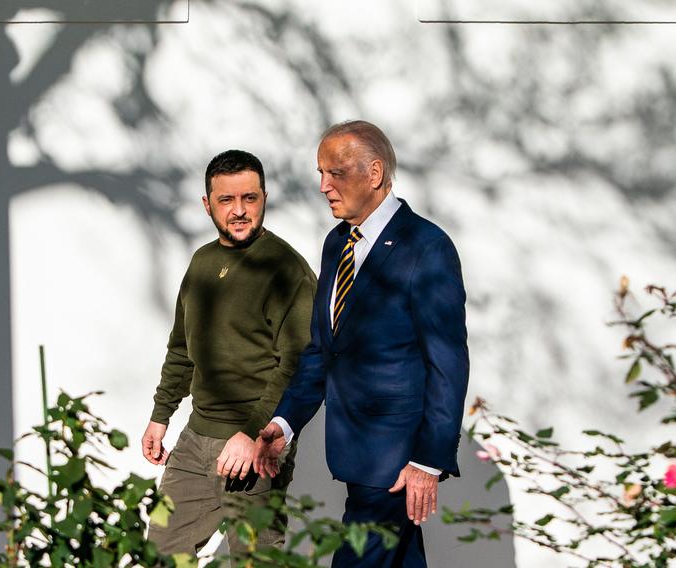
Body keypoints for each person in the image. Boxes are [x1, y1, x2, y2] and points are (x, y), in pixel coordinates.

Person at [252, 120, 469, 567]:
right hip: (354, 452)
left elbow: (448, 363)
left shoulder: (426, 247)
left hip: (395, 459)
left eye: (335, 172)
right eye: (321, 173)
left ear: (374, 174)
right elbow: (322, 351)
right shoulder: (337, 244)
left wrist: (428, 462)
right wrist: (285, 424)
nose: (323, 186)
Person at [142, 149, 317, 557]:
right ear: (208, 205)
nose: (239, 211)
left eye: (249, 198)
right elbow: (182, 348)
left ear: (264, 199)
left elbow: (297, 363)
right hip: (194, 439)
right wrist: (160, 414)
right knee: (161, 554)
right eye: (226, 200)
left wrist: (254, 433)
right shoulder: (202, 262)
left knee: (256, 560)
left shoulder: (285, 269)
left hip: (253, 444)